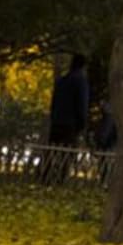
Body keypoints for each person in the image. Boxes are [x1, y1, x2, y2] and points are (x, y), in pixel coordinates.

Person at [41, 52, 90, 183]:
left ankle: (46, 175)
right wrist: (82, 123)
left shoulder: (62, 81)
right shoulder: (81, 81)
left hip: (57, 121)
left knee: (53, 150)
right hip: (71, 123)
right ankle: (61, 178)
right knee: (67, 152)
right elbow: (82, 103)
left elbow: (54, 102)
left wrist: (53, 117)